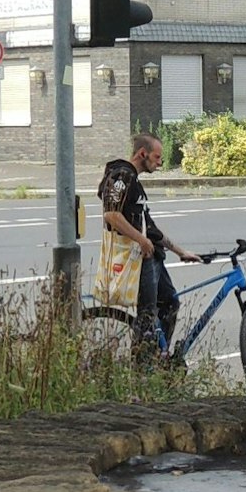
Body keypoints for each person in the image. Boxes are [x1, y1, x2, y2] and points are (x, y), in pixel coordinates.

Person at [99, 133, 200, 347]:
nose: (160, 162)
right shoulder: (122, 175)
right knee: (147, 315)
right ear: (142, 153)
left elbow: (149, 227)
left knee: (170, 302)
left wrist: (180, 251)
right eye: (157, 157)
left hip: (151, 256)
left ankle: (161, 355)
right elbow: (111, 214)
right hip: (138, 257)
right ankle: (143, 362)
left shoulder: (134, 181)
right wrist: (141, 240)